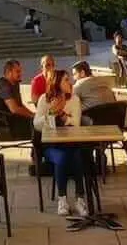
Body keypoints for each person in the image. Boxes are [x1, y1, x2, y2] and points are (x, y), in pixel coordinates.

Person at [34, 70, 87, 217]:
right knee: (63, 157)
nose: (70, 82)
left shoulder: (74, 99)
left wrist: (62, 114)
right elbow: (36, 125)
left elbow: (76, 124)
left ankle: (80, 199)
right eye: (65, 80)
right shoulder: (44, 99)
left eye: (69, 79)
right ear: (56, 83)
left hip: (71, 143)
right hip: (52, 145)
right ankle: (62, 199)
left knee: (76, 155)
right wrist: (51, 112)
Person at [0, 59, 35, 137]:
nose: (20, 74)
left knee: (40, 124)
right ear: (9, 72)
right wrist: (32, 116)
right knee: (39, 128)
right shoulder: (4, 85)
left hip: (14, 121)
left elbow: (20, 105)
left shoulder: (15, 83)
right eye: (17, 71)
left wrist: (33, 115)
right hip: (7, 126)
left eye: (20, 71)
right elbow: (14, 109)